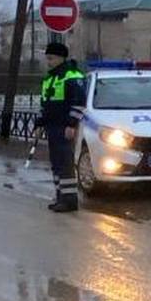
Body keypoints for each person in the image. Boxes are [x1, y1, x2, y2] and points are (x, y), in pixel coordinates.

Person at [36, 42, 86, 212]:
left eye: (51, 58)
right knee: (56, 163)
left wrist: (71, 124)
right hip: (52, 126)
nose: (48, 62)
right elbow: (45, 104)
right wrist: (40, 123)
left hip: (65, 127)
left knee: (65, 163)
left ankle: (70, 200)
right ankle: (60, 197)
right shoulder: (50, 78)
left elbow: (79, 103)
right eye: (47, 58)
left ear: (60, 58)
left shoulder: (72, 76)